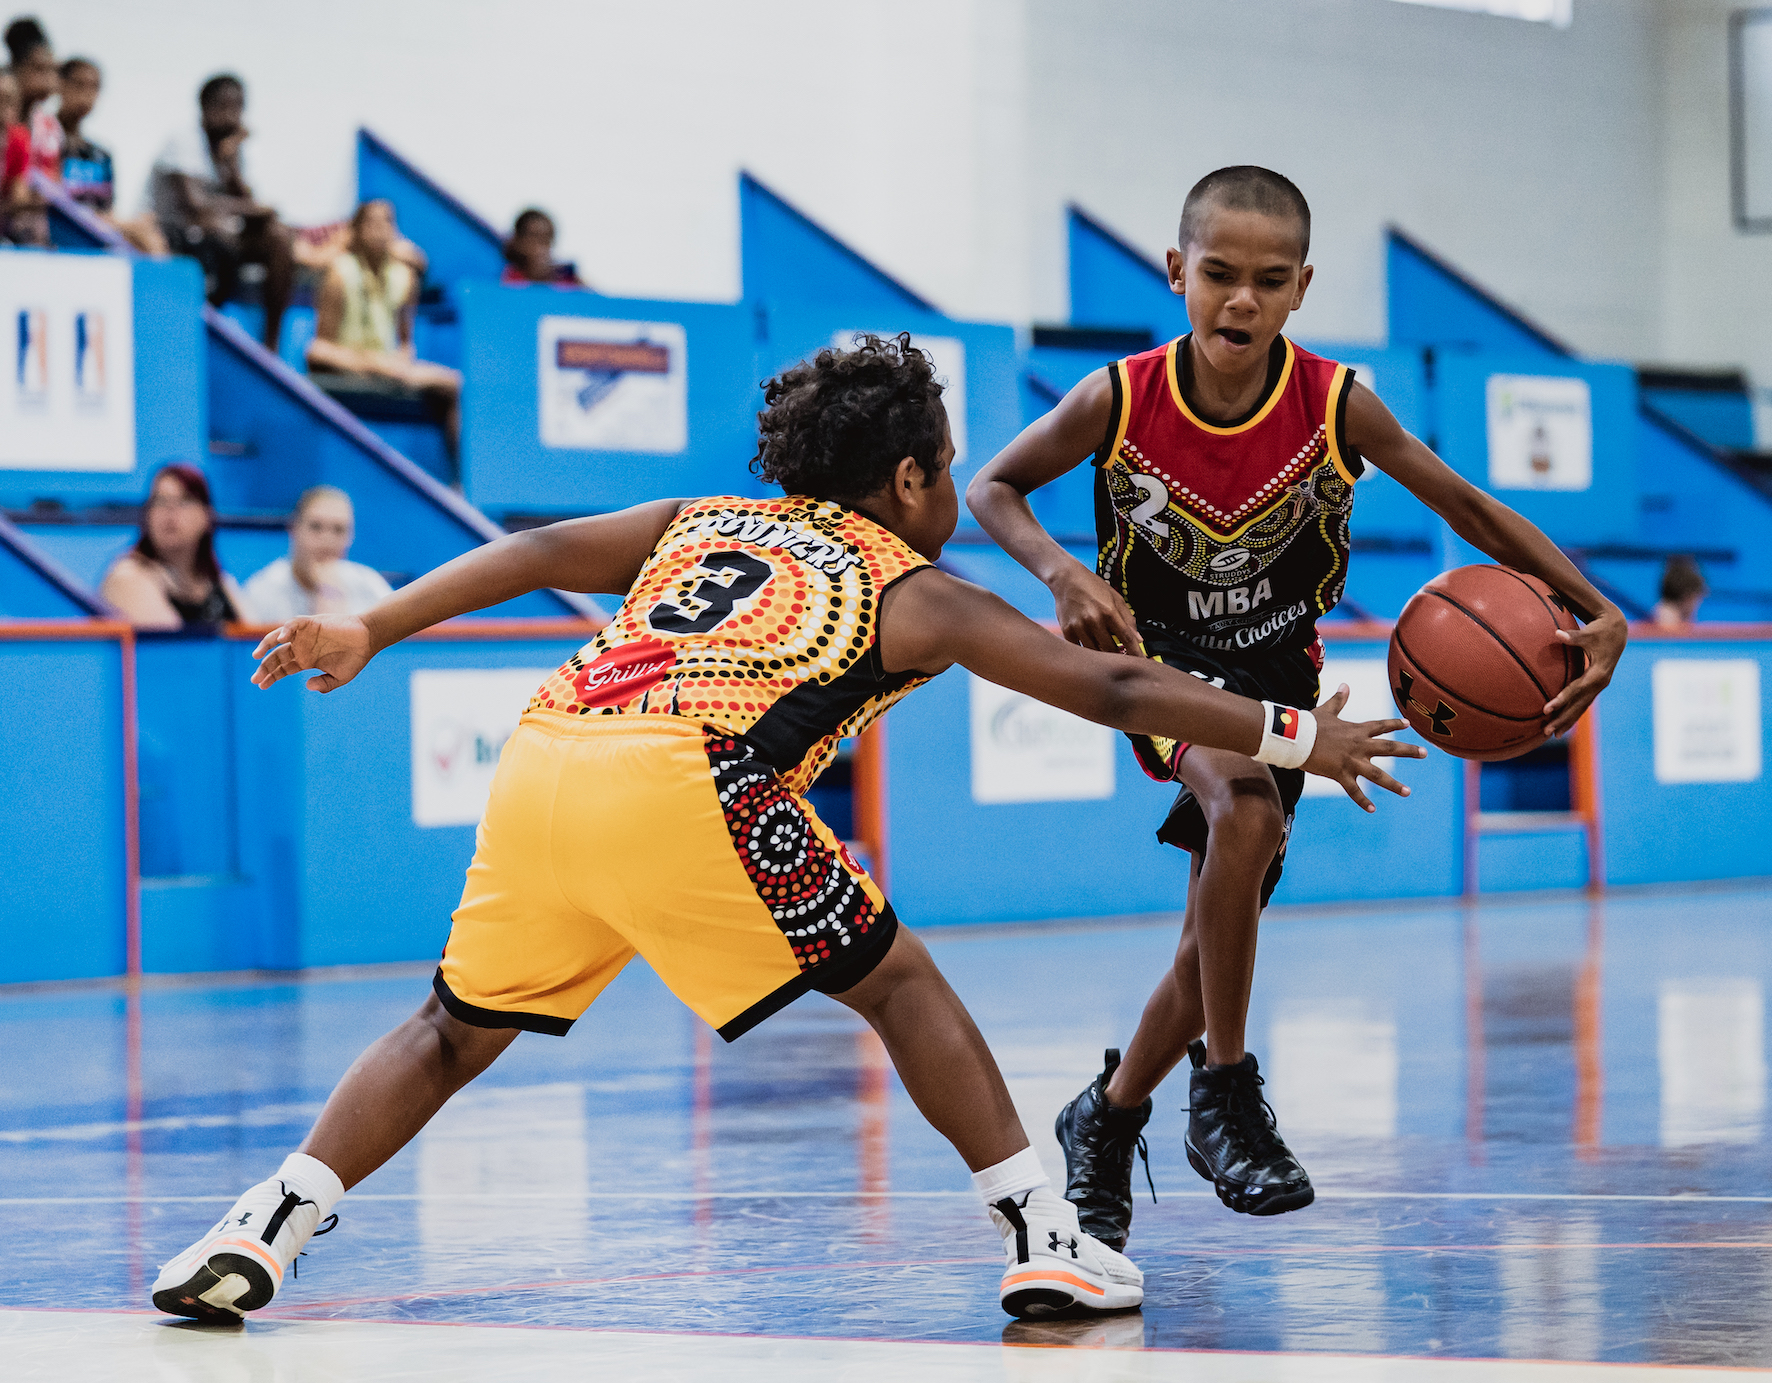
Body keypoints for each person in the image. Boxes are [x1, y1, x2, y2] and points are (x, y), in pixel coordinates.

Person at [151, 333, 1418, 1327]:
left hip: (548, 754)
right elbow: (1121, 692)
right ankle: (1045, 1243)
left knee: (448, 1028)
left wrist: (374, 625)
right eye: (946, 471)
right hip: (693, 776)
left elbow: (535, 551)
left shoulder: (695, 520)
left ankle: (263, 1222)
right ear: (912, 478)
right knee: (903, 985)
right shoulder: (913, 587)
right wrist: (1300, 734)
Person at [968, 166, 1628, 1251]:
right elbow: (993, 487)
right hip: (1162, 666)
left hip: (1277, 666)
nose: (1240, 300)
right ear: (1175, 271)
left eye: (1268, 281)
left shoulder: (1332, 403)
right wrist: (1056, 571)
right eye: (1218, 275)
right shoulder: (1121, 396)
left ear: (1300, 288)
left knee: (1205, 948)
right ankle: (1223, 1092)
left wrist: (1594, 605)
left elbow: (1462, 503)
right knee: (1245, 810)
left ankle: (1107, 1113)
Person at [148, 73, 294, 350]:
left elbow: (243, 199)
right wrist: (254, 210)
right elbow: (196, 209)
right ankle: (200, 335)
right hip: (173, 232)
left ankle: (271, 345)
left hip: (216, 234)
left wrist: (230, 165)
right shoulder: (183, 140)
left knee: (278, 238)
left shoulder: (232, 149)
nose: (231, 116)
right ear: (204, 107)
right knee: (218, 232)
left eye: (238, 108)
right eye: (223, 107)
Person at [307, 199, 461, 456]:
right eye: (371, 222)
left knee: (457, 384)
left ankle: (459, 479)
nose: (379, 229)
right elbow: (318, 350)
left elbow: (404, 341)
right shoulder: (339, 272)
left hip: (388, 368)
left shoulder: (405, 277)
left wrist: (400, 358)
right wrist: (372, 364)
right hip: (350, 364)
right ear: (356, 230)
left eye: (387, 222)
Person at [101, 464, 244, 630]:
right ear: (147, 515)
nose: (170, 510)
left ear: (207, 516)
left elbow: (255, 641)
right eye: (160, 501)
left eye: (184, 500)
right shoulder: (127, 577)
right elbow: (177, 649)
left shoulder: (220, 582)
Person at [56, 57, 168, 255]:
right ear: (59, 85)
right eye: (78, 85)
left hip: (97, 229)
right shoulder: (46, 140)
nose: (86, 95)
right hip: (61, 226)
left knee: (152, 238)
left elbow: (107, 208)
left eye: (94, 88)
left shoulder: (100, 155)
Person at [243, 485, 392, 621]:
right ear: (293, 529)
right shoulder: (263, 591)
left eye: (338, 530)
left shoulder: (369, 583)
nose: (327, 540)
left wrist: (330, 590)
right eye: (316, 527)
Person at [501, 207, 581, 286]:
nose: (541, 248)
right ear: (518, 242)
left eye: (547, 239)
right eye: (533, 238)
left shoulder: (567, 280)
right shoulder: (507, 278)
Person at [1651, 555, 1706, 628]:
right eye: (1696, 598)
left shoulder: (1682, 619)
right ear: (1687, 597)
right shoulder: (1666, 622)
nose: (1697, 604)